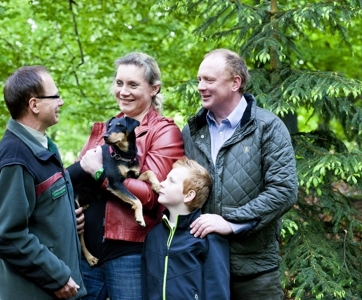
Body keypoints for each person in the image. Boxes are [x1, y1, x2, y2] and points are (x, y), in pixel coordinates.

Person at [68, 52, 184, 299]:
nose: (123, 91)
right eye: (119, 83)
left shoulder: (163, 132)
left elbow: (155, 197)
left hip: (128, 252)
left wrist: (100, 173)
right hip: (88, 251)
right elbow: (78, 180)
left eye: (133, 85)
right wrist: (72, 213)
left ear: (154, 89)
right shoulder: (107, 129)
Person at [183, 49, 298, 300]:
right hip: (203, 264)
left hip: (254, 270)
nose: (200, 86)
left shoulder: (268, 127)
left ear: (235, 82)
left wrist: (230, 222)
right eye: (199, 80)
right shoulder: (192, 131)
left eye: (209, 80)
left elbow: (284, 190)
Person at [0, 66, 86, 299]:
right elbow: (6, 233)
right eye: (55, 96)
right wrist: (56, 276)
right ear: (34, 105)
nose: (61, 102)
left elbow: (38, 211)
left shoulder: (41, 147)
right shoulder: (15, 158)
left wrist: (68, 220)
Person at [142, 157, 230, 300]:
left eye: (171, 181)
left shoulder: (207, 236)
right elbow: (146, 287)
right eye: (165, 179)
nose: (162, 184)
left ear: (189, 195)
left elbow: (218, 289)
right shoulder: (153, 236)